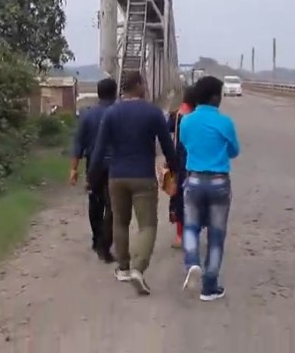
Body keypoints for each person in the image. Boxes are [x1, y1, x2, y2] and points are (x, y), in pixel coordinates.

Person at [88, 70, 178, 296]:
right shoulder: (153, 113)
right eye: (144, 84)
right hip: (143, 177)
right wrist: (175, 170)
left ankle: (123, 268)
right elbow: (167, 146)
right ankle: (138, 268)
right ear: (137, 85)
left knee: (120, 222)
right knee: (147, 225)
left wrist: (92, 177)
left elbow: (98, 151)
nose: (146, 87)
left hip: (116, 176)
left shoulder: (111, 113)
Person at [178, 75, 240, 301]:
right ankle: (210, 287)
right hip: (218, 182)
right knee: (216, 234)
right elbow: (234, 151)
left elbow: (184, 143)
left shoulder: (186, 121)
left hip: (193, 180)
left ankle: (192, 262)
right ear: (215, 97)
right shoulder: (225, 123)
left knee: (191, 227)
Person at [69, 77, 117, 263]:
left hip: (94, 166)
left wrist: (73, 169)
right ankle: (105, 244)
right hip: (115, 166)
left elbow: (78, 143)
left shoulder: (87, 115)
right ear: (115, 93)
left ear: (98, 93)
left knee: (95, 203)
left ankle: (97, 240)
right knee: (112, 207)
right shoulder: (119, 113)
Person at [166, 86, 197, 249]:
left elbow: (167, 129)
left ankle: (180, 235)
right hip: (197, 161)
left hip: (179, 160)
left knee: (178, 197)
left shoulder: (177, 115)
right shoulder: (198, 116)